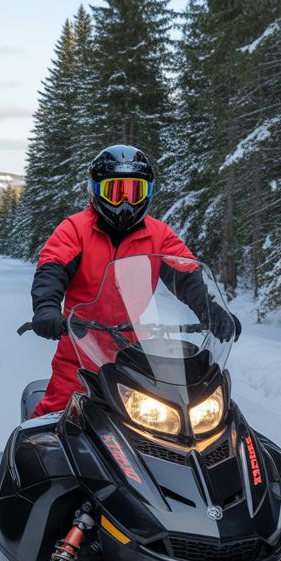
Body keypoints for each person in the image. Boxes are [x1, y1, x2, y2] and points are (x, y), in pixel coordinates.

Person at [29, 144, 240, 418]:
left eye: (134, 192)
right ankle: (29, 443)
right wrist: (46, 308)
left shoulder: (159, 234)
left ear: (148, 193)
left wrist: (213, 311)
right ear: (95, 190)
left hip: (135, 350)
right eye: (115, 192)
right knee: (59, 414)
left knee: (159, 418)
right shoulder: (75, 229)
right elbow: (52, 268)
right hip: (81, 347)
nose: (125, 203)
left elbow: (187, 275)